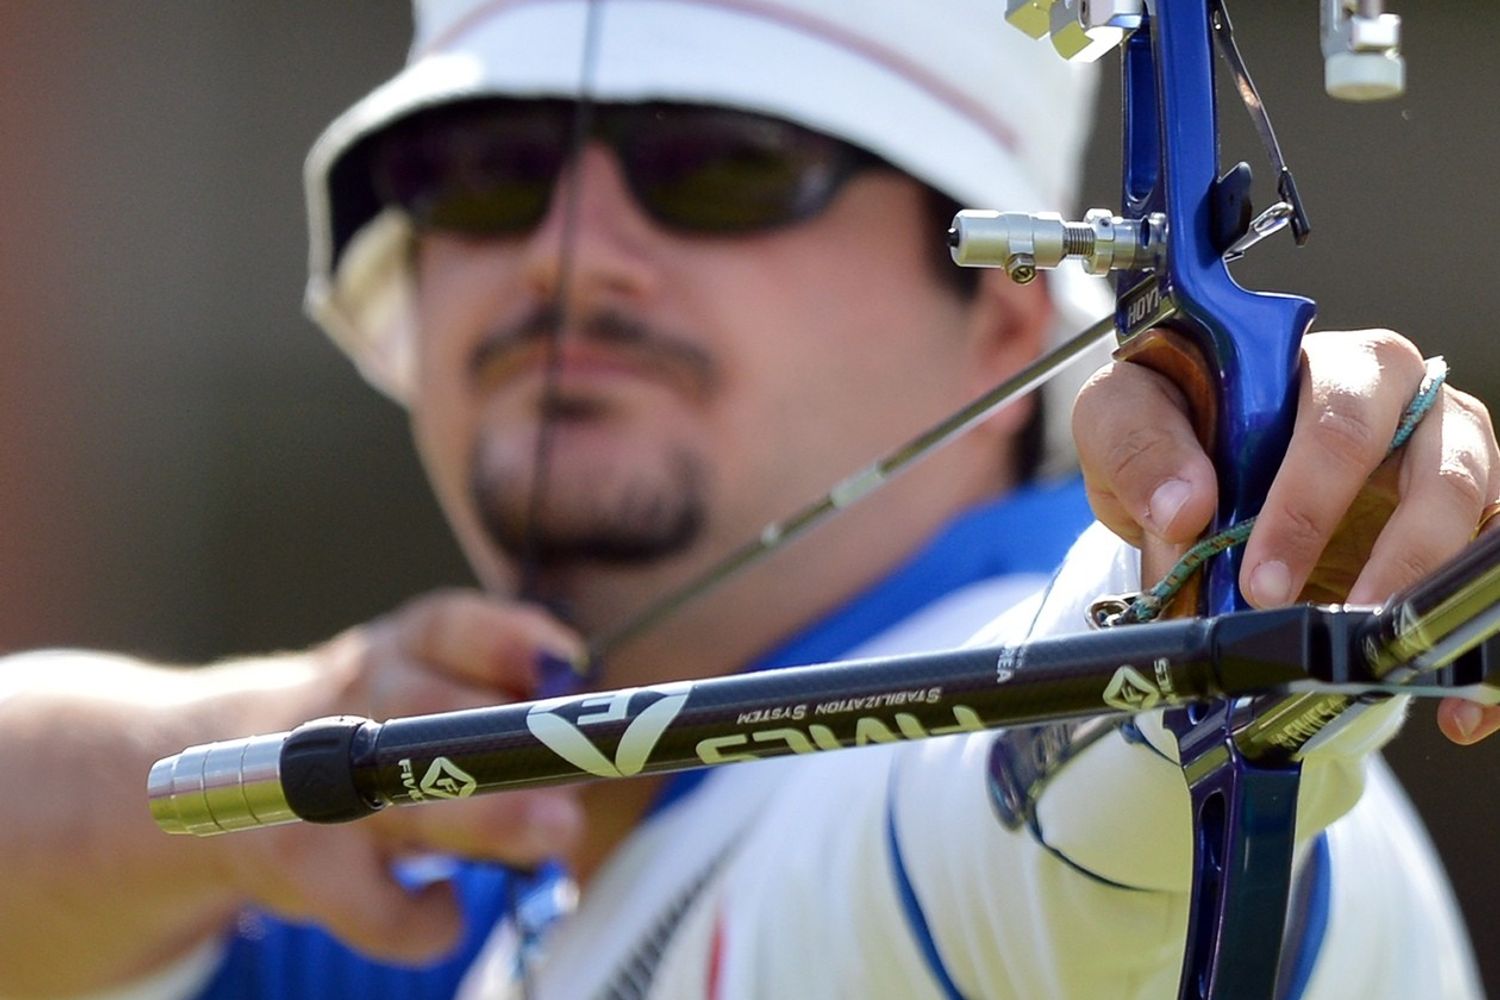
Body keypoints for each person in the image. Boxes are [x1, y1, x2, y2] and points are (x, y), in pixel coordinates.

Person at [1, 1, 1497, 997]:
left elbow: (1051, 834)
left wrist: (1238, 562)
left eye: (719, 167)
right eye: (486, 170)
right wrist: (291, 745)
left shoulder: (937, 805)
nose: (568, 252)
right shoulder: (454, 891)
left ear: (1003, 312)